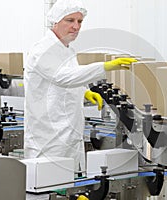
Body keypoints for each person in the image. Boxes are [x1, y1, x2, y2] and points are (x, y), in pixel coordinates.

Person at [24, 0, 137, 173]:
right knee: (46, 186)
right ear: (55, 21)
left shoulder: (67, 50)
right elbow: (63, 77)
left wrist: (84, 92)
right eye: (70, 20)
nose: (76, 26)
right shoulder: (42, 50)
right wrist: (104, 67)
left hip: (70, 132)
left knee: (71, 183)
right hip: (47, 136)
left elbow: (66, 80)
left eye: (80, 21)